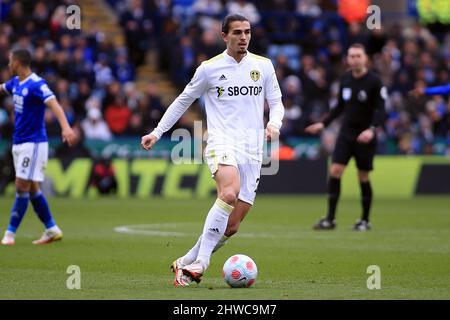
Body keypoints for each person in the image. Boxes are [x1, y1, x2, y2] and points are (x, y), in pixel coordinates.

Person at [140, 13, 284, 286]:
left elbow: (276, 102)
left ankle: (185, 261)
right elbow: (183, 101)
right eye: (237, 32)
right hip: (221, 142)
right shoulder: (209, 68)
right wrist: (157, 132)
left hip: (253, 150)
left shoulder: (263, 66)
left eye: (247, 32)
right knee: (228, 192)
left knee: (232, 226)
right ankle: (201, 263)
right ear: (224, 36)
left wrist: (275, 123)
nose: (243, 37)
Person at [305, 43, 386, 231]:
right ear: (348, 59)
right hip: (346, 133)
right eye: (351, 56)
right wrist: (323, 123)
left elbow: (381, 109)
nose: (355, 59)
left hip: (365, 135)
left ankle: (365, 220)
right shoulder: (345, 79)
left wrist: (372, 129)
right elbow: (339, 106)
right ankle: (330, 219)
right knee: (334, 172)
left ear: (365, 58)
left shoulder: (374, 81)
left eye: (358, 55)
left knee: (363, 176)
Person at [0, 49, 76, 245]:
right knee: (32, 188)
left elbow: (55, 105)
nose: (8, 65)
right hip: (19, 142)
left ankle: (9, 233)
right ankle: (52, 229)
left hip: (33, 143)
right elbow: (2, 88)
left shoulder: (36, 84)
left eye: (10, 61)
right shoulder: (15, 83)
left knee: (21, 184)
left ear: (17, 62)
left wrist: (66, 127)